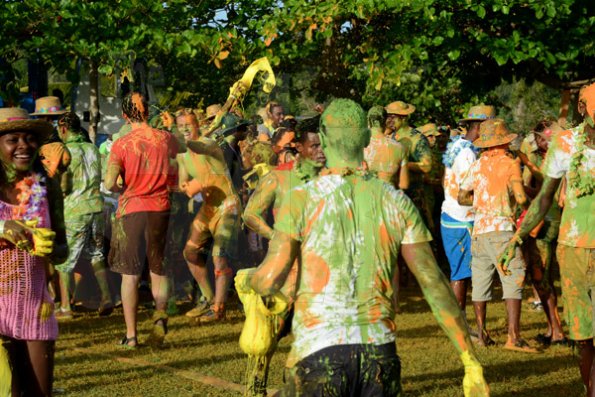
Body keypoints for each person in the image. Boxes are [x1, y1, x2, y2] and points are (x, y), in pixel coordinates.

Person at [246, 99, 489, 396]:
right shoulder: (395, 200)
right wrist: (470, 361)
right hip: (379, 355)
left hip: (319, 352)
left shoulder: (301, 199)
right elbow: (434, 283)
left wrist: (249, 282)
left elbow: (269, 278)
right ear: (364, 139)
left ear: (322, 138)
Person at [499, 83, 595, 394]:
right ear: (582, 109)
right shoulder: (566, 144)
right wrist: (517, 237)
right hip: (573, 252)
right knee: (584, 337)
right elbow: (543, 199)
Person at [242, 116, 325, 395]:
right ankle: (257, 382)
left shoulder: (332, 180)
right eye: (314, 146)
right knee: (272, 329)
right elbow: (250, 215)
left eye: (324, 145)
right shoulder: (279, 178)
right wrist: (276, 236)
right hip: (285, 267)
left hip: (321, 269)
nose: (321, 151)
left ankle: (297, 383)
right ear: (299, 147)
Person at [0, 107, 67, 395]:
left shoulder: (46, 187)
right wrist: (4, 228)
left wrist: (54, 247)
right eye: (12, 139)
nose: (23, 145)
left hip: (34, 309)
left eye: (29, 138)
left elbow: (62, 249)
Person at [105, 92, 179, 347]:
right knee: (158, 269)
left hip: (131, 210)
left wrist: (122, 188)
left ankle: (131, 335)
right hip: (160, 209)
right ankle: (159, 321)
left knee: (131, 274)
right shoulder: (165, 138)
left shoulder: (121, 143)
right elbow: (177, 153)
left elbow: (109, 183)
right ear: (147, 111)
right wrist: (170, 126)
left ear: (125, 116)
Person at [458, 118, 537, 353]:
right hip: (502, 230)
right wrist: (528, 204)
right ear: (503, 141)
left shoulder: (478, 165)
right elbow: (521, 198)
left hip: (480, 232)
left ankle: (482, 335)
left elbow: (461, 197)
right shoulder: (509, 163)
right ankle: (513, 336)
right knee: (513, 279)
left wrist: (482, 203)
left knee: (480, 283)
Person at [178, 110, 242, 323]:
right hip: (208, 208)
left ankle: (219, 308)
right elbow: (184, 185)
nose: (185, 129)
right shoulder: (183, 156)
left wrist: (187, 140)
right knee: (189, 252)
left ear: (197, 125)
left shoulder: (210, 143)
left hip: (228, 205)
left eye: (188, 124)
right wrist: (186, 186)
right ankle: (208, 297)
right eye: (181, 126)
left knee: (219, 256)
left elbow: (200, 147)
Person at [54, 112, 113, 320]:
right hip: (97, 208)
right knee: (96, 254)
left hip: (75, 210)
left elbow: (63, 186)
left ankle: (65, 308)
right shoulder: (93, 149)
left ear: (63, 129)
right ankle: (107, 297)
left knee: (64, 261)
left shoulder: (66, 151)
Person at [518, 120, 566, 346]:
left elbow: (549, 187)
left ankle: (557, 331)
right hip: (545, 220)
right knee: (541, 278)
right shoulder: (539, 158)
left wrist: (525, 162)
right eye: (537, 137)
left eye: (543, 136)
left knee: (542, 275)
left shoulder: (563, 157)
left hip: (553, 222)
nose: (540, 140)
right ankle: (552, 328)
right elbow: (539, 191)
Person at [440, 105, 493, 310]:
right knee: (461, 274)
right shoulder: (468, 154)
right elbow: (467, 192)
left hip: (452, 215)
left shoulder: (457, 146)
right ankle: (460, 322)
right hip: (462, 219)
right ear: (480, 126)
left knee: (460, 272)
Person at [384, 100, 433, 228]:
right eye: (387, 116)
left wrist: (404, 164)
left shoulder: (417, 138)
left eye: (392, 117)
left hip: (413, 197)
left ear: (404, 118)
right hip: (395, 196)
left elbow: (427, 166)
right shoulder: (390, 137)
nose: (389, 120)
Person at [364, 105, 409, 189]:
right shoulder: (400, 148)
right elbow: (404, 185)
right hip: (389, 198)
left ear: (368, 122)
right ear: (385, 122)